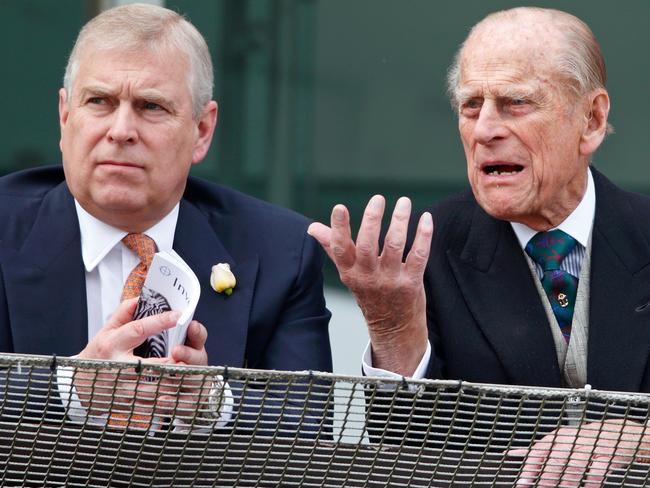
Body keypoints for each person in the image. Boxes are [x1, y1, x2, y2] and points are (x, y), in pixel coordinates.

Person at [309, 6, 650, 486]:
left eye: (516, 103)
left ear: (591, 120)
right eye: (471, 106)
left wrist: (640, 437)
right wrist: (392, 331)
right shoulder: (420, 254)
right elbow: (405, 457)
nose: (485, 129)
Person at [0, 3, 331, 433]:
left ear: (202, 131)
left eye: (151, 106)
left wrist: (213, 402)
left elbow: (308, 428)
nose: (121, 130)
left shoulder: (280, 252)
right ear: (65, 118)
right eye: (98, 101)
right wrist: (70, 387)